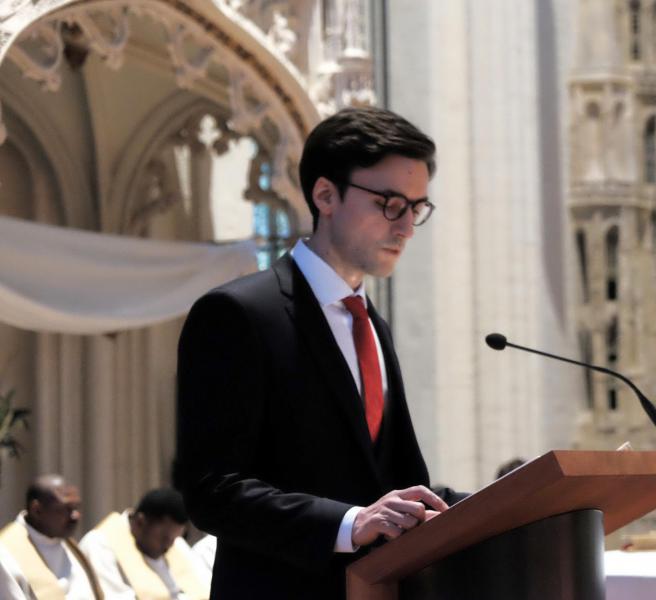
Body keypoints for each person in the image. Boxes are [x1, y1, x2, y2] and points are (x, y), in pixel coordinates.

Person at [175, 106, 465, 599]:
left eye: (416, 208)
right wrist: (351, 523)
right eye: (390, 203)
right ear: (326, 195)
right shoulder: (238, 313)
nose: (406, 227)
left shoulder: (372, 325)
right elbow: (212, 490)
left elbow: (390, 478)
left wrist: (517, 497)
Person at [79, 488, 209, 599]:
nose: (169, 546)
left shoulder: (176, 544)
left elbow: (204, 588)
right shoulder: (100, 544)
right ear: (141, 522)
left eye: (174, 539)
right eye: (164, 538)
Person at [0, 474, 103, 599]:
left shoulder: (71, 548)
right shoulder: (7, 552)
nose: (75, 516)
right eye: (66, 509)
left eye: (76, 508)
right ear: (36, 509)